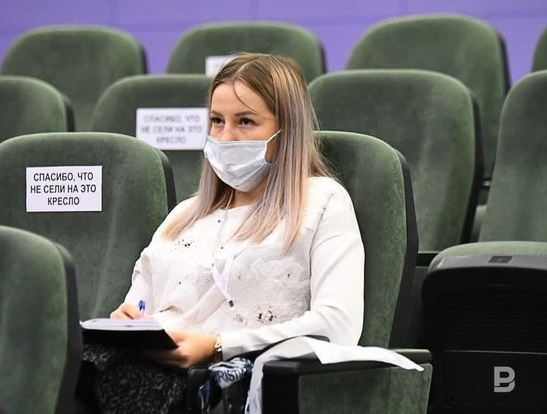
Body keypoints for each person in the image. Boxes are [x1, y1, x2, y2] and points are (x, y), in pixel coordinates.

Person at [80, 53, 364, 413]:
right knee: (68, 364)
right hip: (143, 372)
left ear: (286, 132)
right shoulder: (184, 215)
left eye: (245, 121)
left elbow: (337, 324)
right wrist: (127, 323)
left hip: (221, 385)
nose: (226, 137)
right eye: (216, 121)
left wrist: (217, 346)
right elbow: (139, 306)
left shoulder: (322, 201)